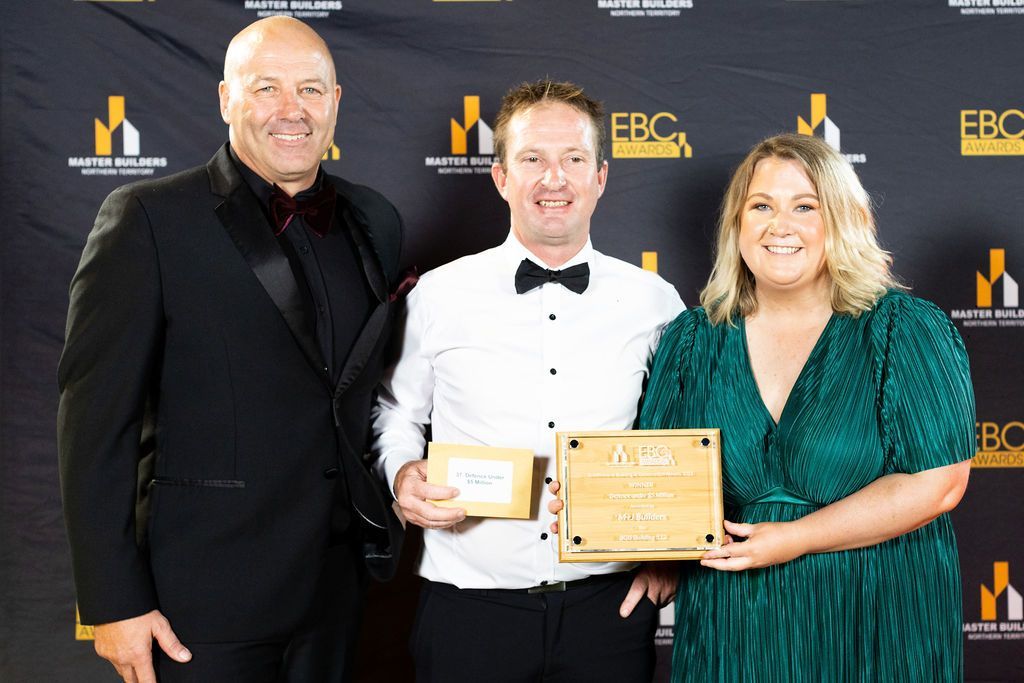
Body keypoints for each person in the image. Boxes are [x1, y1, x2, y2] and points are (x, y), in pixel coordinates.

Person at [57, 17, 403, 683]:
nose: (291, 109)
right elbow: (95, 424)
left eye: (309, 88)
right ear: (225, 99)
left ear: (335, 103)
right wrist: (113, 601)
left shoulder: (374, 220)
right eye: (266, 87)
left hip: (335, 591)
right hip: (199, 602)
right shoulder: (147, 218)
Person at [371, 79, 684, 682]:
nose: (553, 179)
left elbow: (678, 434)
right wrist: (402, 471)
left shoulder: (656, 303)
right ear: (501, 177)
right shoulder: (438, 294)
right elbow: (396, 411)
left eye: (573, 159)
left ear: (600, 177)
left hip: (609, 609)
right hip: (468, 605)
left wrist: (669, 552)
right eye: (532, 159)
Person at [639, 133, 974, 681]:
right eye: (762, 206)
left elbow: (939, 484)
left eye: (805, 207)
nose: (780, 225)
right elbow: (655, 478)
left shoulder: (904, 329)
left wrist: (793, 538)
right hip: (735, 630)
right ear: (737, 224)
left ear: (842, 220)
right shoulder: (692, 339)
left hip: (876, 626)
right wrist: (596, 511)